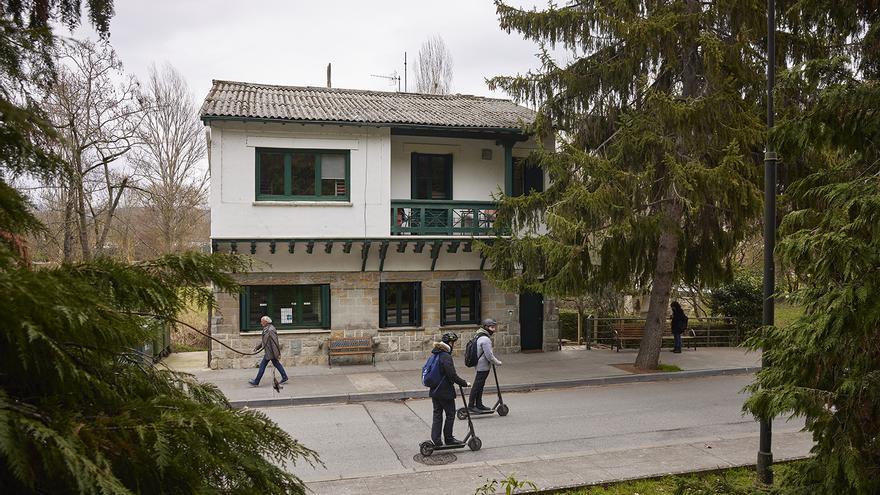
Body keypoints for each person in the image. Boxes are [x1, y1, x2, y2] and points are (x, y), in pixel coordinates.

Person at [429, 332, 470, 447]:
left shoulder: (435, 354)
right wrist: (464, 383)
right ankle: (449, 439)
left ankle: (436, 440)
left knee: (437, 414)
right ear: (450, 343)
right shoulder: (445, 356)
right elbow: (452, 375)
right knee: (450, 414)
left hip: (435, 389)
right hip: (444, 391)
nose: (454, 346)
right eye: (454, 343)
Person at [469, 318, 503, 413]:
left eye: (494, 327)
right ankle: (471, 405)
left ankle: (479, 404)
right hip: (482, 366)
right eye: (492, 327)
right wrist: (497, 362)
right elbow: (489, 356)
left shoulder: (479, 335)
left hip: (480, 365)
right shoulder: (485, 339)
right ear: (486, 327)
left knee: (480, 385)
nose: (494, 329)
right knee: (477, 385)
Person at [248, 316, 289, 386]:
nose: (261, 323)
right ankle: (284, 377)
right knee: (276, 365)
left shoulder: (271, 330)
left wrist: (277, 354)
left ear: (266, 322)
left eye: (262, 321)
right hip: (269, 352)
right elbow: (265, 341)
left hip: (271, 353)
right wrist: (257, 347)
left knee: (262, 366)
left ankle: (256, 381)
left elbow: (275, 343)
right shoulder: (266, 329)